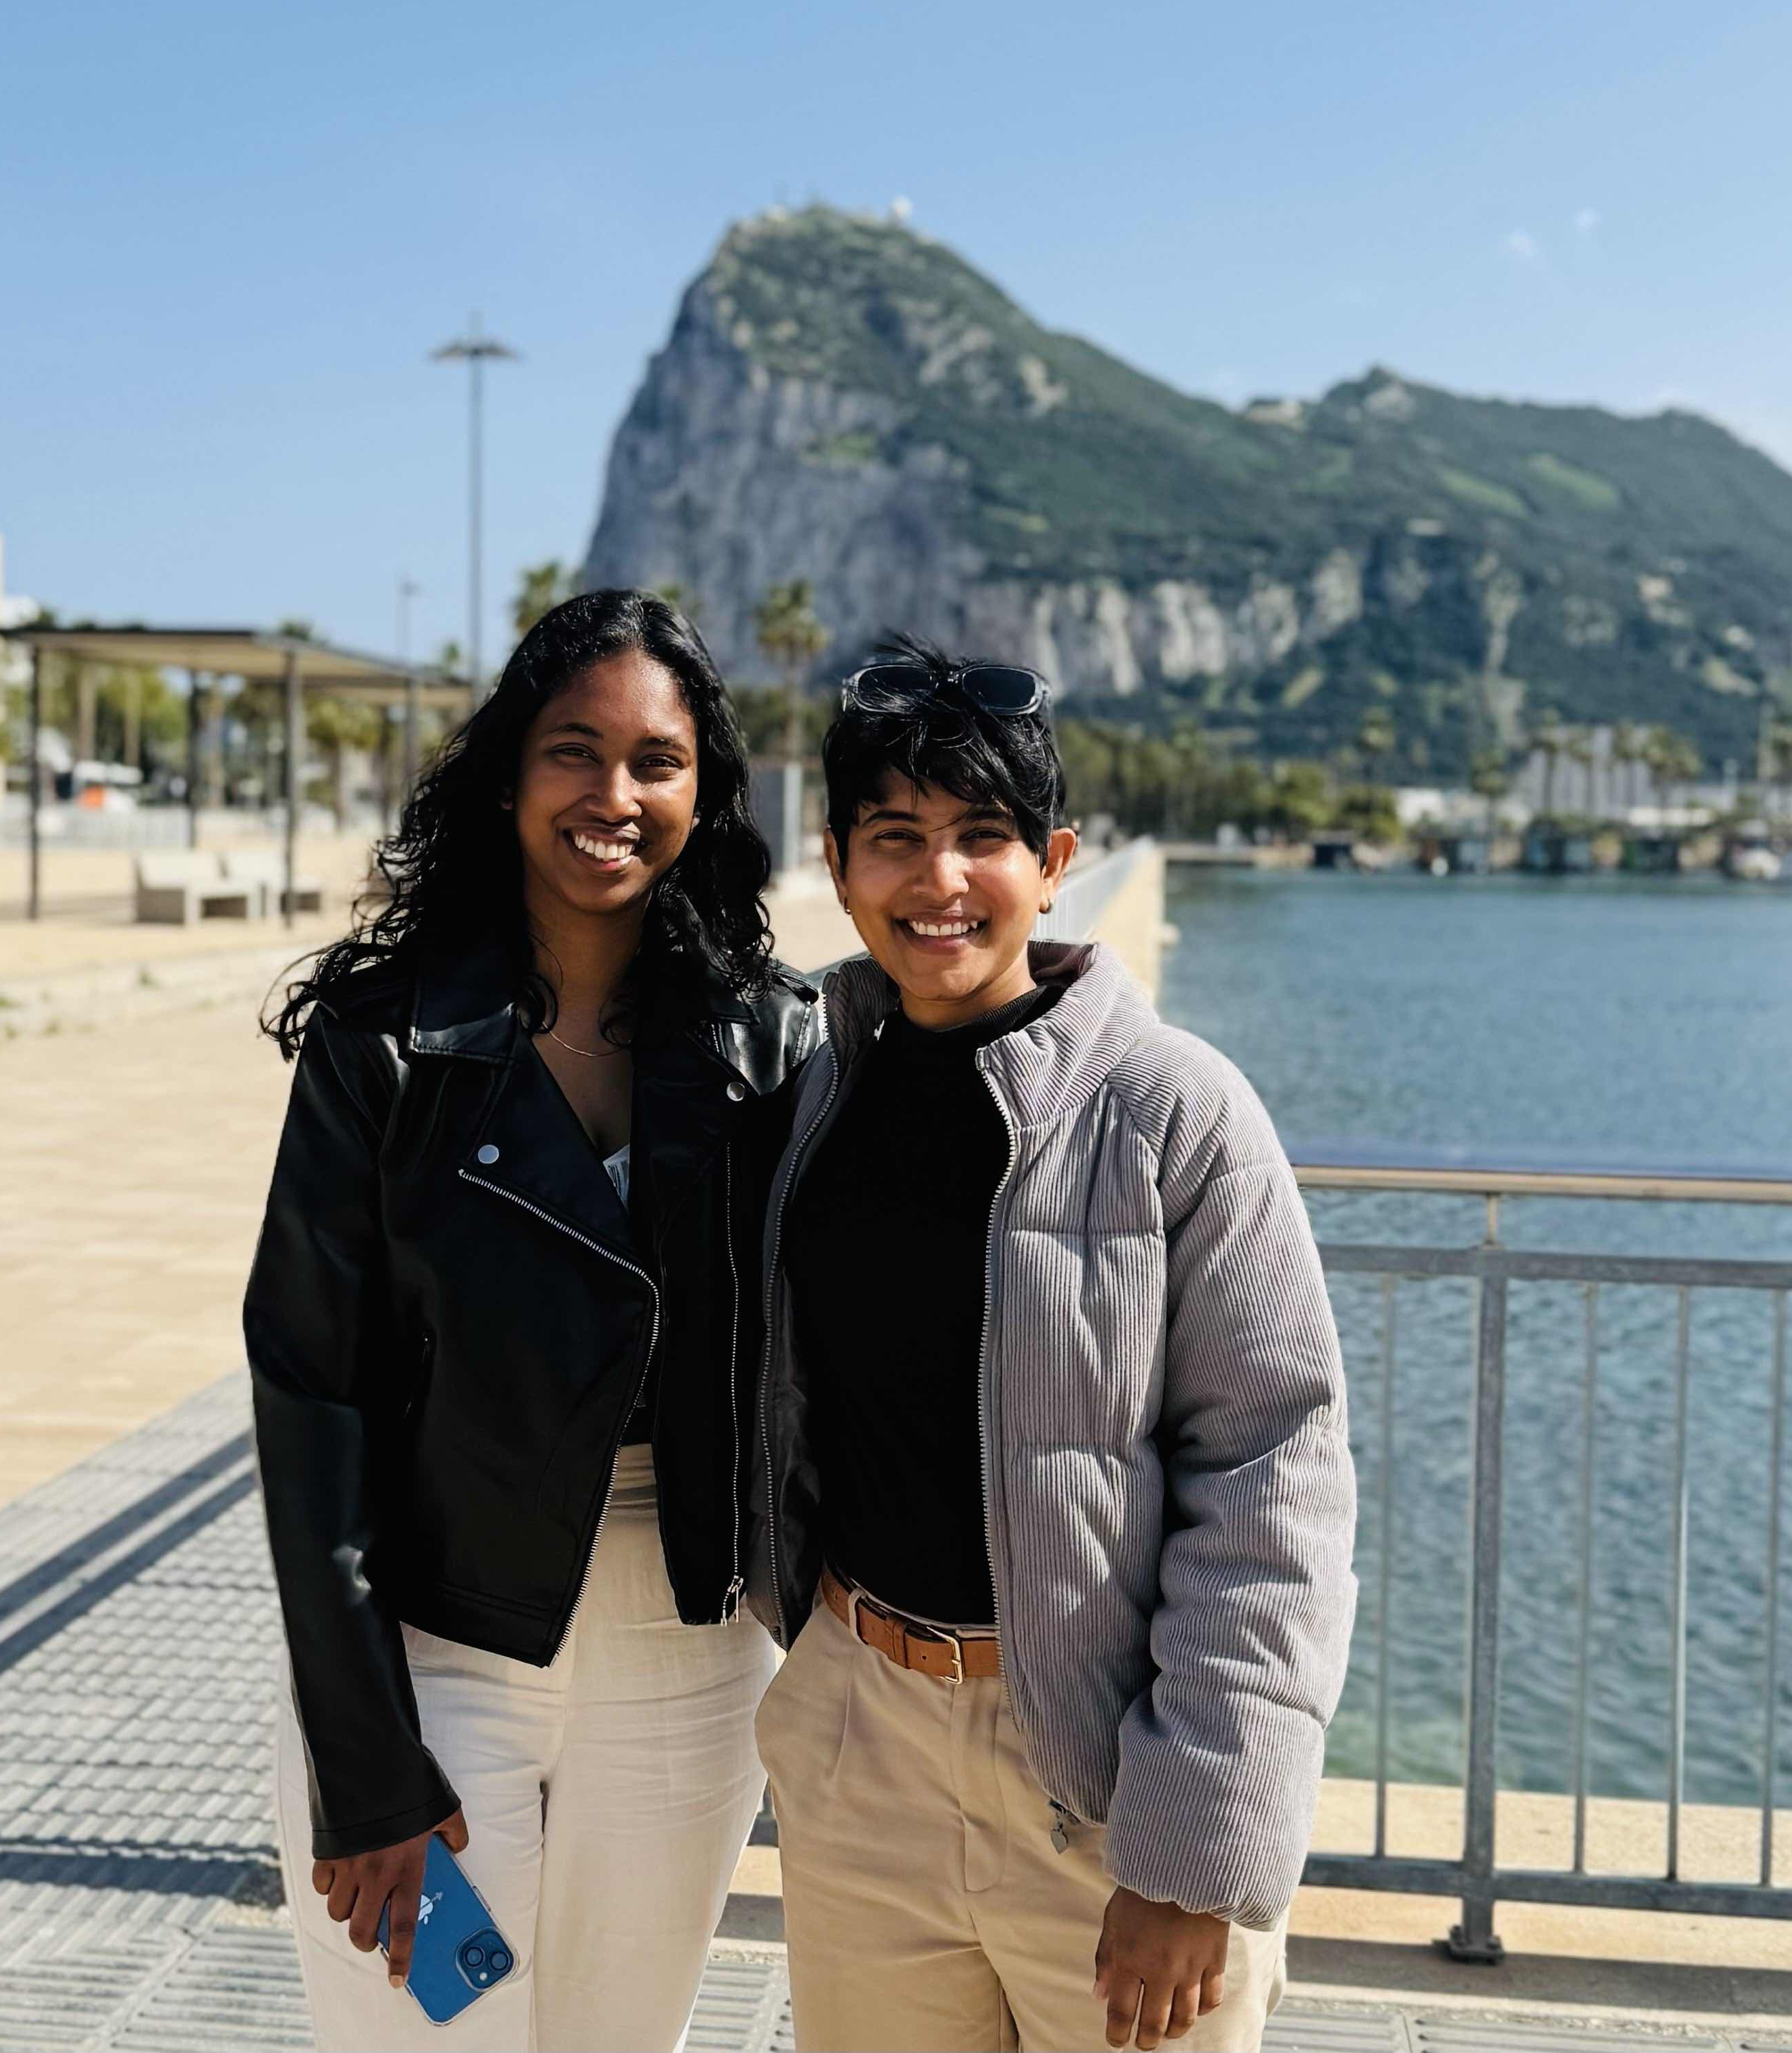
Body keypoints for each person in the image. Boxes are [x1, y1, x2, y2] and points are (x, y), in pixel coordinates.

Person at [747, 636, 1358, 2053]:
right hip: (862, 1750)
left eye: (982, 836)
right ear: (837, 864)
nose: (939, 879)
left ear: (1054, 862)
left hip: (1108, 1778)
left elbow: (1274, 1477)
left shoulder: (1172, 1108)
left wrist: (1195, 1846)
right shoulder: (808, 1095)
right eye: (895, 838)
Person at [246, 590, 821, 2051]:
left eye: (656, 761)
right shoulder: (383, 1042)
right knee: (431, 2030)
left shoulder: (770, 1040)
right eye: (575, 750)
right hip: (437, 1657)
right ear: (508, 773)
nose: (612, 796)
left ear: (703, 795)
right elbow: (310, 1401)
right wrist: (365, 1765)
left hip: (687, 1667)